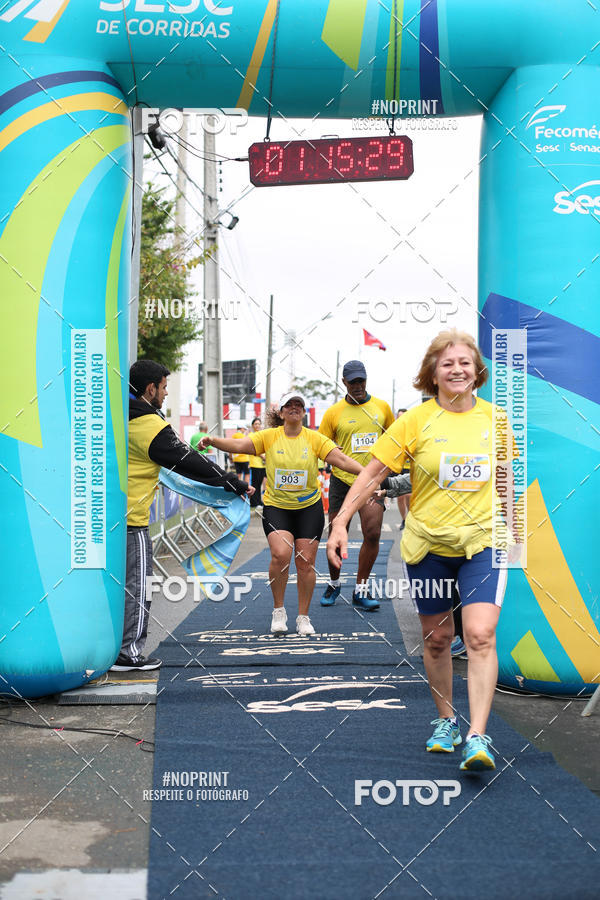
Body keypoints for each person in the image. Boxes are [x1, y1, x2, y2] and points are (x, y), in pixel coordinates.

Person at [327, 330, 519, 772]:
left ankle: (478, 735)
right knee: (437, 640)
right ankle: (447, 721)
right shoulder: (415, 421)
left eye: (465, 362)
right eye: (447, 363)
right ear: (433, 372)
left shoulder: (498, 420)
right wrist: (339, 522)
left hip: (482, 543)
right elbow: (374, 473)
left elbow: (507, 479)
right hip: (429, 545)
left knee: (479, 634)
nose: (457, 369)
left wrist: (516, 535)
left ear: (477, 371)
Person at [111, 360, 253, 672]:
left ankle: (113, 649)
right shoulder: (149, 425)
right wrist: (233, 483)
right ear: (150, 389)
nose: (164, 394)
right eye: (163, 388)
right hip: (132, 522)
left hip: (106, 521)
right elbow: (191, 462)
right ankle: (128, 655)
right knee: (140, 586)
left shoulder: (117, 415)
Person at [200, 392, 363, 636]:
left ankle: (303, 617)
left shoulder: (315, 439)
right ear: (282, 412)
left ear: (304, 412)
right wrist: (212, 440)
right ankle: (278, 611)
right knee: (280, 554)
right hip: (277, 507)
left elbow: (341, 459)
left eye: (299, 405)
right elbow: (239, 445)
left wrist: (370, 475)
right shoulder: (270, 436)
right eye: (290, 405)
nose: (295, 408)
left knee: (305, 562)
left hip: (309, 507)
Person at [318, 360, 394, 610]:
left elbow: (394, 438)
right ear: (344, 383)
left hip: (372, 482)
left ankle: (361, 589)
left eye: (361, 381)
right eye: (353, 382)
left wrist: (388, 473)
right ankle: (334, 583)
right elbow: (321, 445)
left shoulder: (382, 407)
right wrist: (330, 450)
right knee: (336, 533)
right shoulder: (333, 413)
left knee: (372, 533)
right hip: (342, 481)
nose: (358, 386)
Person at [395, 409, 411, 529]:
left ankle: (410, 519)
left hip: (410, 467)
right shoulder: (395, 433)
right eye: (399, 417)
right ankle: (404, 519)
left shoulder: (413, 431)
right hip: (398, 468)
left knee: (409, 495)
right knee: (400, 496)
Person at [248, 416, 266, 509]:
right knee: (255, 484)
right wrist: (262, 456)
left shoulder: (262, 435)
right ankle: (254, 502)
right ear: (252, 425)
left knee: (259, 484)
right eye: (256, 424)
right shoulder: (251, 435)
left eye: (259, 424)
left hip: (263, 464)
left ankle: (258, 501)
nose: (257, 425)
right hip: (255, 463)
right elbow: (253, 448)